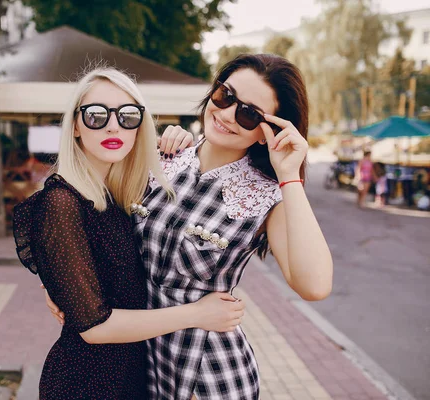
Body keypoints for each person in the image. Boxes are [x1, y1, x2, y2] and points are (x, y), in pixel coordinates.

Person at [46, 54, 333, 400]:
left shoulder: (265, 196)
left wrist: (289, 176)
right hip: (136, 361)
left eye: (249, 113)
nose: (227, 114)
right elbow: (92, 223)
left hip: (205, 373)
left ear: (266, 132)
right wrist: (65, 286)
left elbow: (314, 286)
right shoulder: (157, 159)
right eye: (226, 96)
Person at [12, 67, 247, 400]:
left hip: (134, 377)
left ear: (140, 126)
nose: (112, 125)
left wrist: (178, 140)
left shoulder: (117, 195)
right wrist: (198, 314)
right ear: (76, 126)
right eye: (96, 115)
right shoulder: (61, 202)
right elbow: (95, 328)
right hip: (86, 384)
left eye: (127, 116)